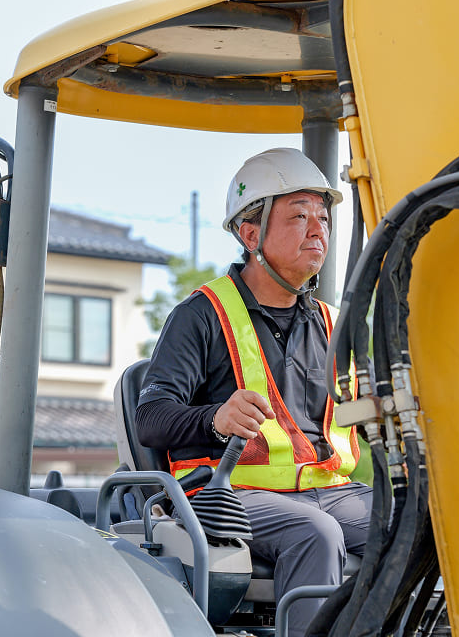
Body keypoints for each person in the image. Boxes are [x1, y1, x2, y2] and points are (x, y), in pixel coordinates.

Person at [136, 147, 372, 637]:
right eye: (298, 216)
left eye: (323, 218)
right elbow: (152, 417)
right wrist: (215, 418)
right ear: (250, 234)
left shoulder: (330, 324)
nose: (317, 231)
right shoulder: (200, 315)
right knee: (317, 535)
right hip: (227, 493)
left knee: (427, 519)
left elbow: (357, 418)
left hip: (328, 492)